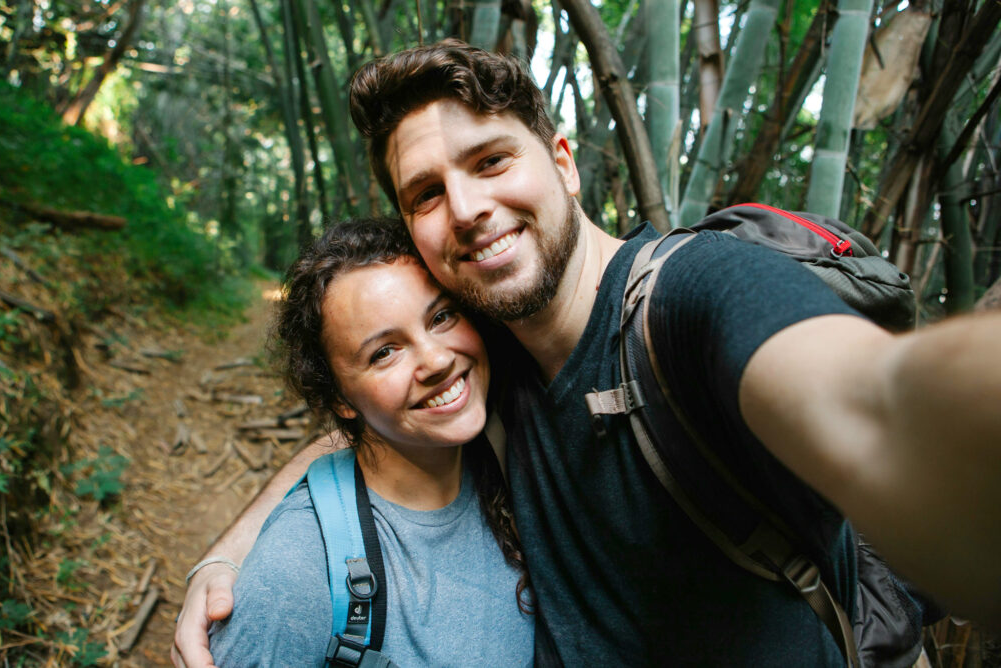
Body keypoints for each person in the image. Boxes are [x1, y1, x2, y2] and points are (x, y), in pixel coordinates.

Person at [174, 40, 1001, 666]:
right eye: (426, 194)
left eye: (491, 161)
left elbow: (875, 401)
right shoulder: (480, 348)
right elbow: (359, 430)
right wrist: (228, 554)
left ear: (563, 165)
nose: (467, 209)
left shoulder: (692, 301)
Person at [206, 217, 534, 666]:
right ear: (341, 399)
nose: (437, 360)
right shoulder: (295, 573)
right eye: (385, 352)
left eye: (441, 316)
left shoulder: (516, 458)